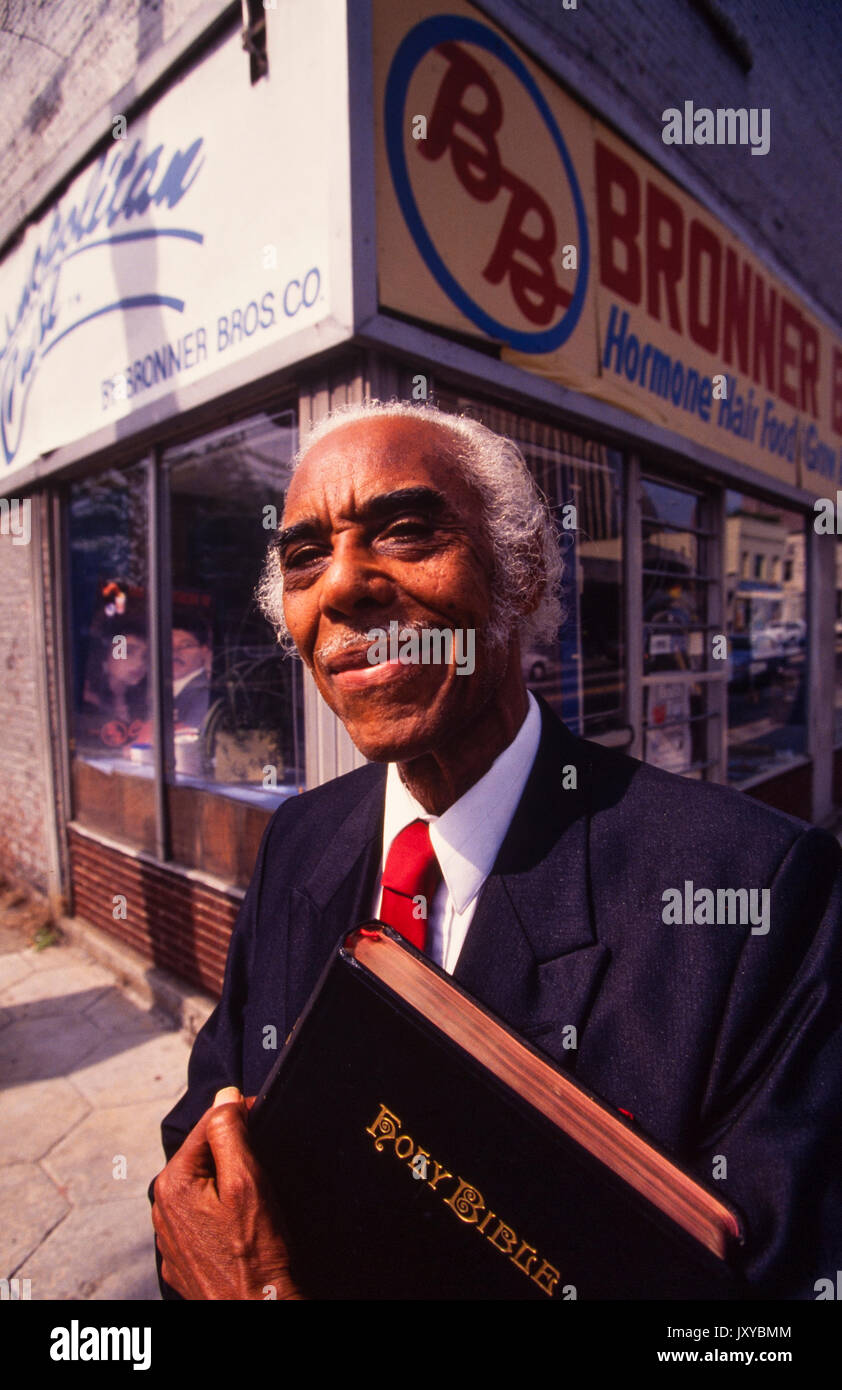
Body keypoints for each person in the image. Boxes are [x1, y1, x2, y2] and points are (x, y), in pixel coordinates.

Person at [151, 401, 842, 1301]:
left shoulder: (756, 893)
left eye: (403, 532)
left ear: (519, 573)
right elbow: (203, 1144)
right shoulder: (299, 840)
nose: (344, 585)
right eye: (305, 557)